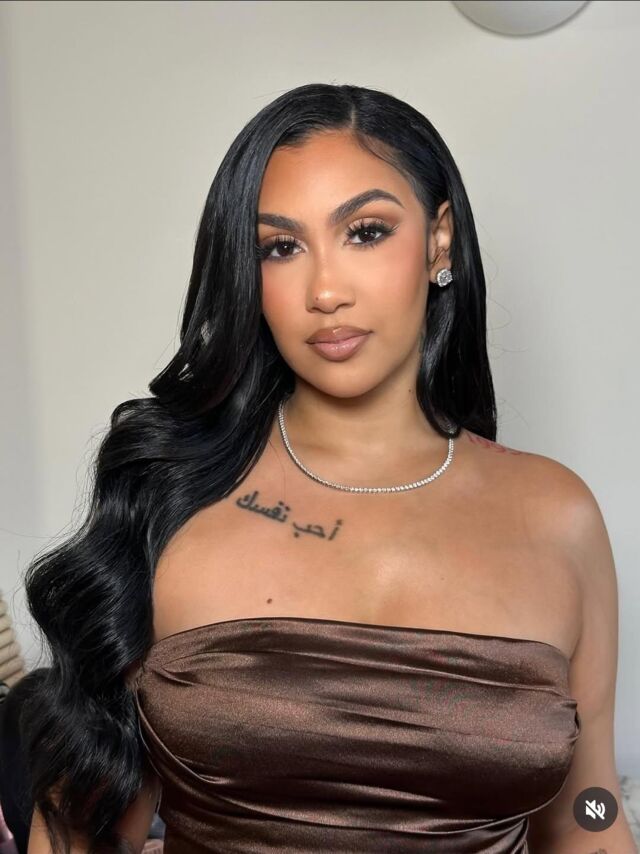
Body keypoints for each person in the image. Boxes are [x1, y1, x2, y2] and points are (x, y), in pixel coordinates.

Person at [21, 83, 635, 854]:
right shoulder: (170, 496)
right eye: (280, 248)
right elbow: (81, 825)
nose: (326, 292)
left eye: (366, 232)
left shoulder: (557, 516)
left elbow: (587, 811)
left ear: (440, 240)